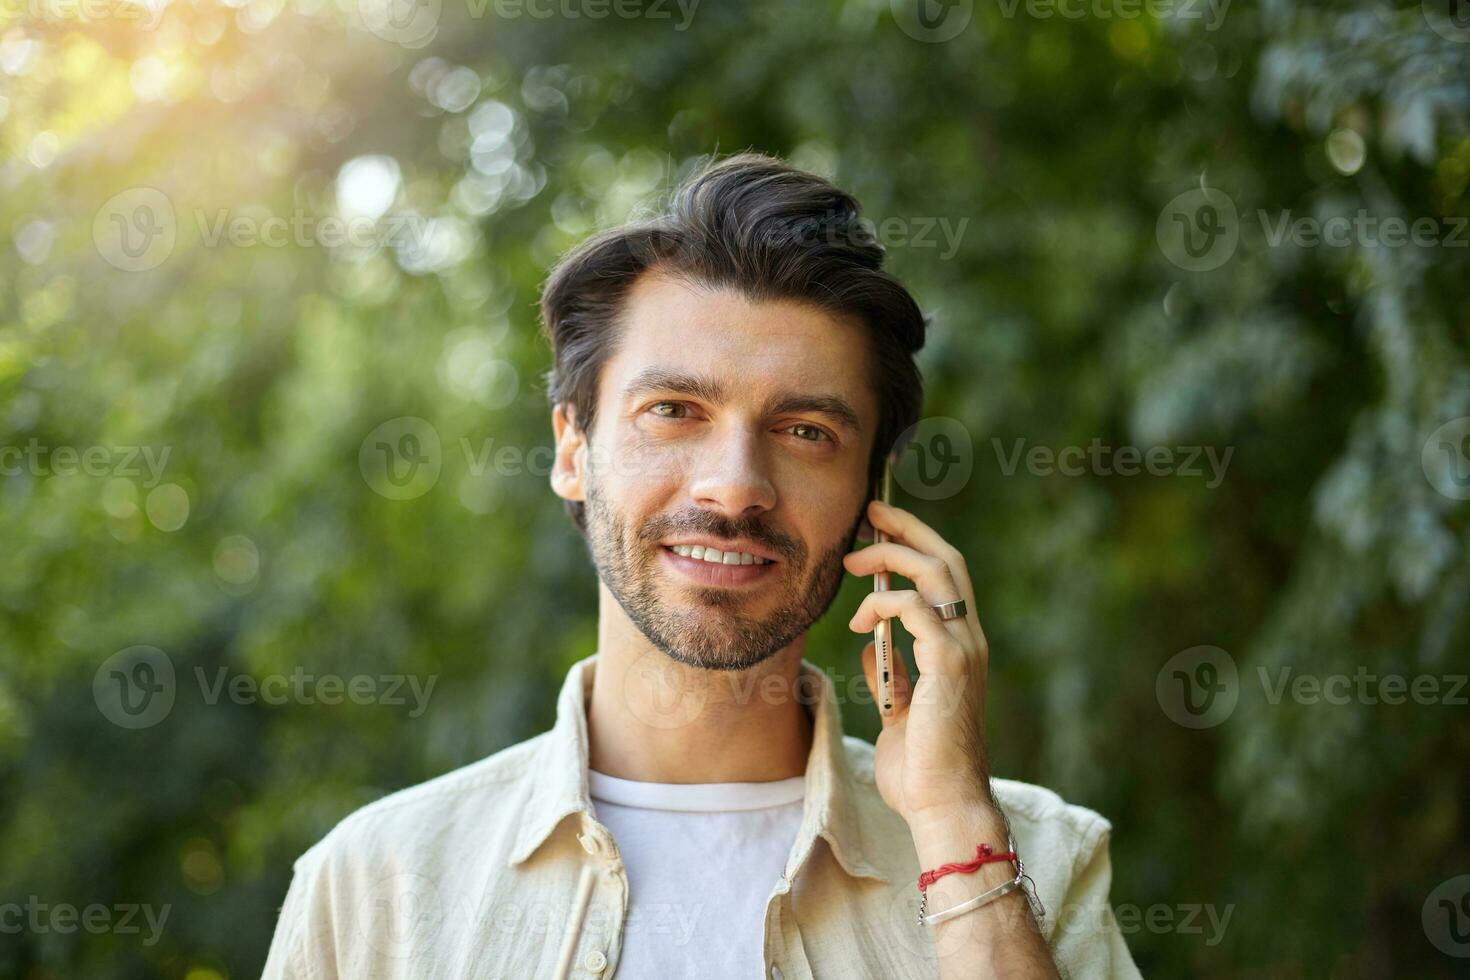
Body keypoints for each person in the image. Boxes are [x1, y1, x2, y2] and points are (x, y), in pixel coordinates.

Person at [262, 152, 1141, 979]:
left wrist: (956, 832)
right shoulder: (373, 889)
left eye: (806, 432)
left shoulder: (1037, 860)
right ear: (573, 448)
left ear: (875, 492)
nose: (735, 489)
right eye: (674, 410)